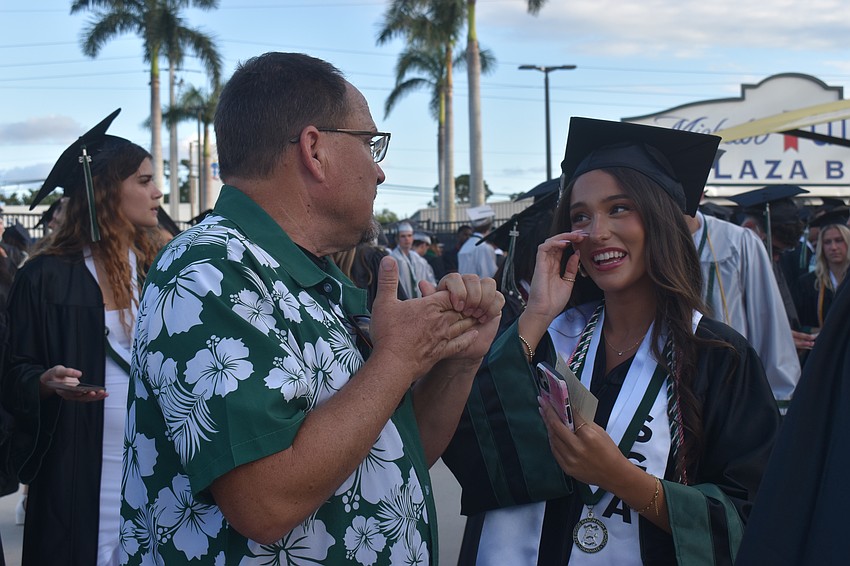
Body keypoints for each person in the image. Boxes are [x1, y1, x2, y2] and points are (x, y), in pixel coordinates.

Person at [119, 52, 503, 565]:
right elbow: (265, 503)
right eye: (369, 144)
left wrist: (459, 359)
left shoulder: (306, 275)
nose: (379, 171)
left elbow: (393, 455)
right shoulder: (209, 268)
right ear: (314, 150)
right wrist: (397, 359)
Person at [444, 117, 779, 564]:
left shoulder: (720, 358)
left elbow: (749, 518)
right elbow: (472, 451)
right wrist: (537, 313)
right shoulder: (549, 337)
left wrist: (623, 479)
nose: (597, 231)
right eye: (580, 216)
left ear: (660, 218)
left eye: (619, 208)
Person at [2, 108, 164, 566]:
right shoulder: (44, 277)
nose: (158, 192)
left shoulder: (155, 270)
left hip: (153, 469)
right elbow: (11, 372)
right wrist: (42, 381)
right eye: (144, 180)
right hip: (76, 473)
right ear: (106, 192)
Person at [684, 207, 800, 413]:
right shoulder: (641, 241)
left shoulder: (737, 242)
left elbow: (767, 322)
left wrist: (780, 398)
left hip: (730, 388)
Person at [793, 221, 850, 334]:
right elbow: (797, 324)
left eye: (839, 240)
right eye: (827, 242)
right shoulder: (808, 283)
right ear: (821, 247)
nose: (833, 247)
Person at [458, 205, 498, 278]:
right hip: (479, 284)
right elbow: (490, 275)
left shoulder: (465, 246)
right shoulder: (485, 248)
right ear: (489, 227)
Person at [389, 221, 422, 298]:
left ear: (413, 238)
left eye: (409, 235)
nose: (407, 239)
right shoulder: (393, 258)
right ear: (397, 239)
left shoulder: (416, 257)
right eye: (403, 236)